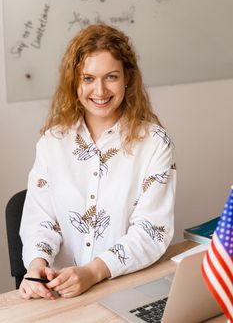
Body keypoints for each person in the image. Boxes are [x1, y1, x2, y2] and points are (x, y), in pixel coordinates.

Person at [19, 23, 177, 300]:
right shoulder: (52, 142)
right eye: (88, 78)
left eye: (111, 77)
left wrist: (93, 272)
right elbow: (40, 219)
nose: (100, 90)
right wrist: (36, 267)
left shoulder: (154, 143)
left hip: (127, 289)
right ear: (74, 82)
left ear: (127, 78)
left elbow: (151, 232)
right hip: (59, 295)